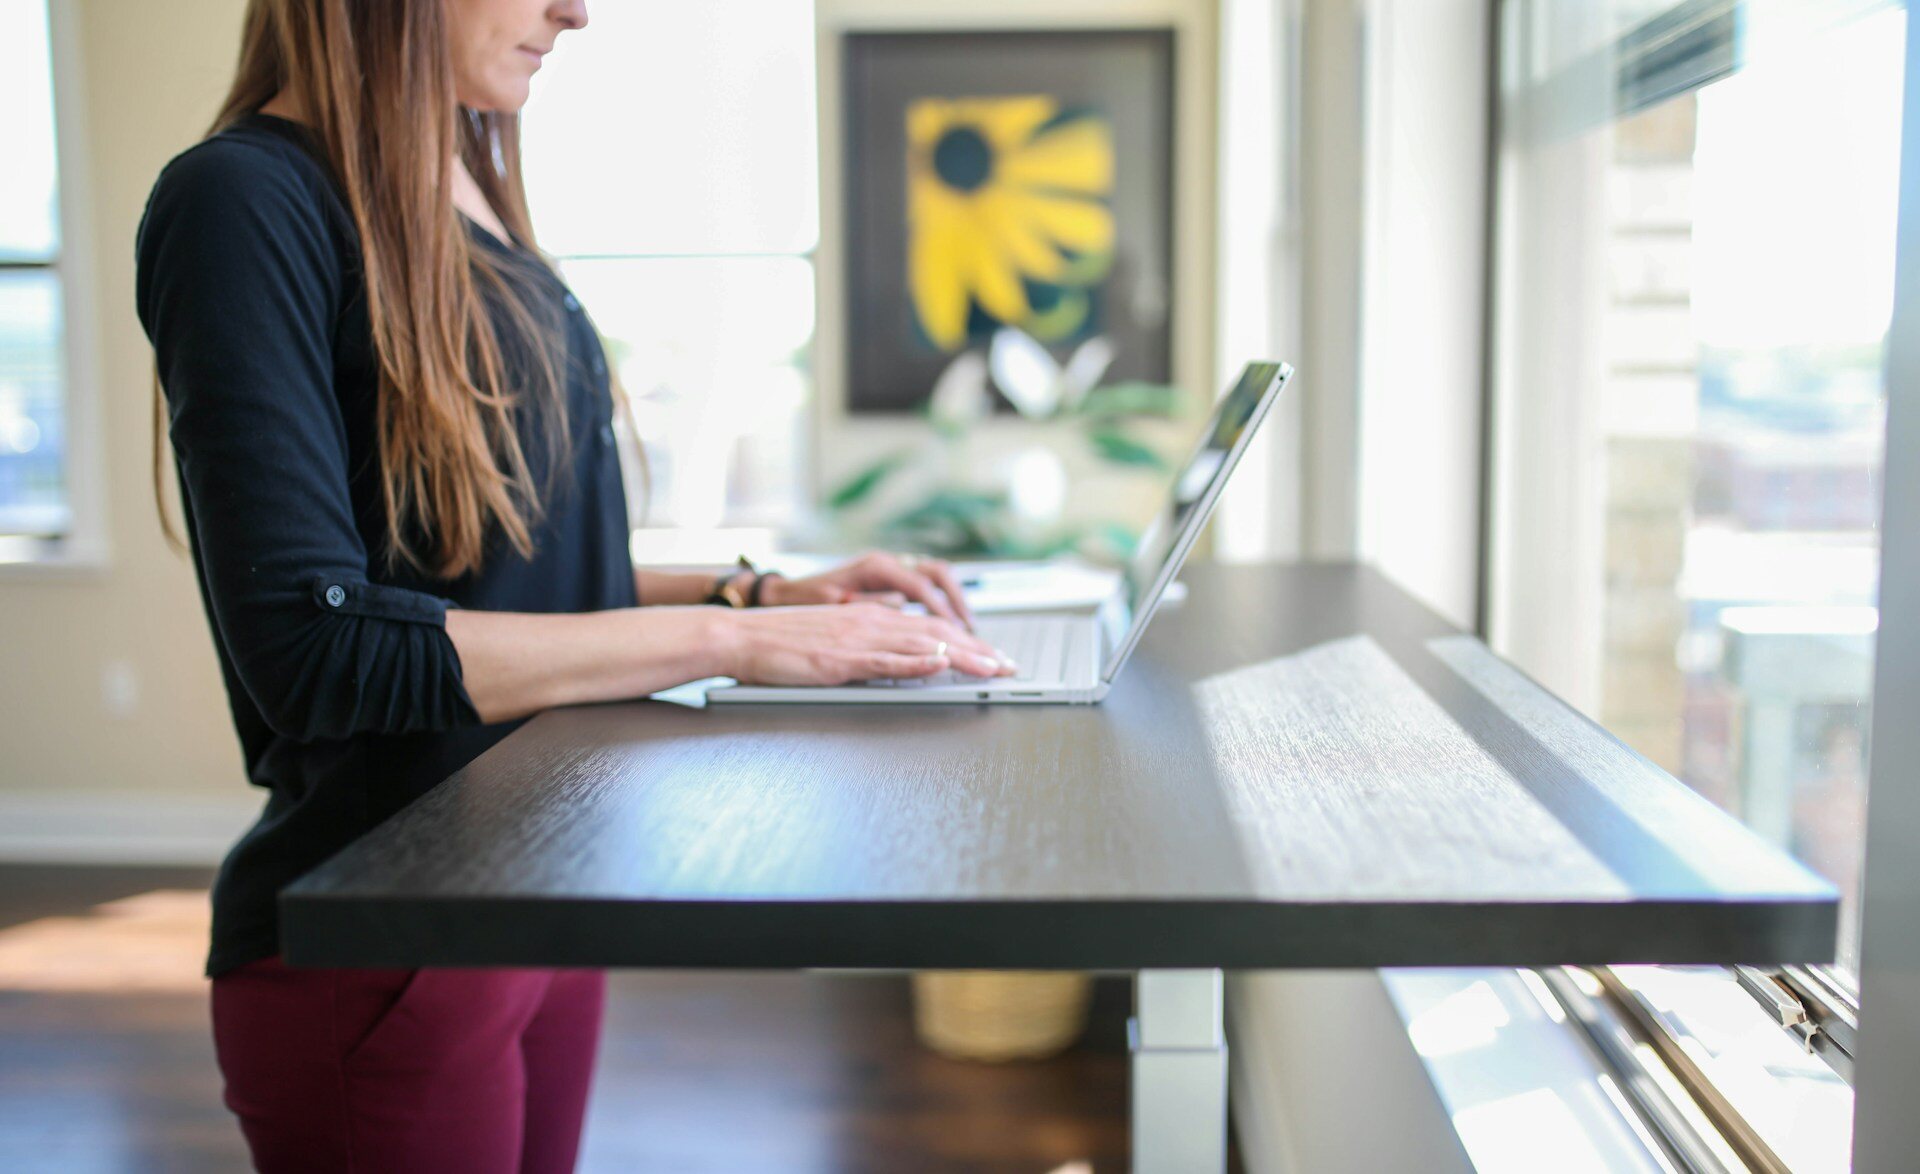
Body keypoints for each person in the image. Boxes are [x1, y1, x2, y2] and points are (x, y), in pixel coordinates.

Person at [135, 1, 1014, 1169]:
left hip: (537, 884)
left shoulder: (461, 179)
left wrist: (755, 596)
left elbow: (500, 572)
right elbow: (320, 648)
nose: (577, 10)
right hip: (386, 936)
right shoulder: (242, 202)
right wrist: (727, 645)